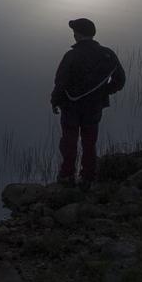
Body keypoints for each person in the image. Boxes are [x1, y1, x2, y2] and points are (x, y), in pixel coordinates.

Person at [50, 16, 125, 186]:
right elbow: (120, 80)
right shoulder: (108, 54)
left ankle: (67, 176)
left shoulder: (71, 55)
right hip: (94, 107)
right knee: (90, 142)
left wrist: (54, 101)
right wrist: (104, 92)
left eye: (74, 32)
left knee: (69, 142)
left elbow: (60, 82)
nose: (73, 35)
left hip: (71, 107)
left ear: (78, 34)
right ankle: (88, 177)